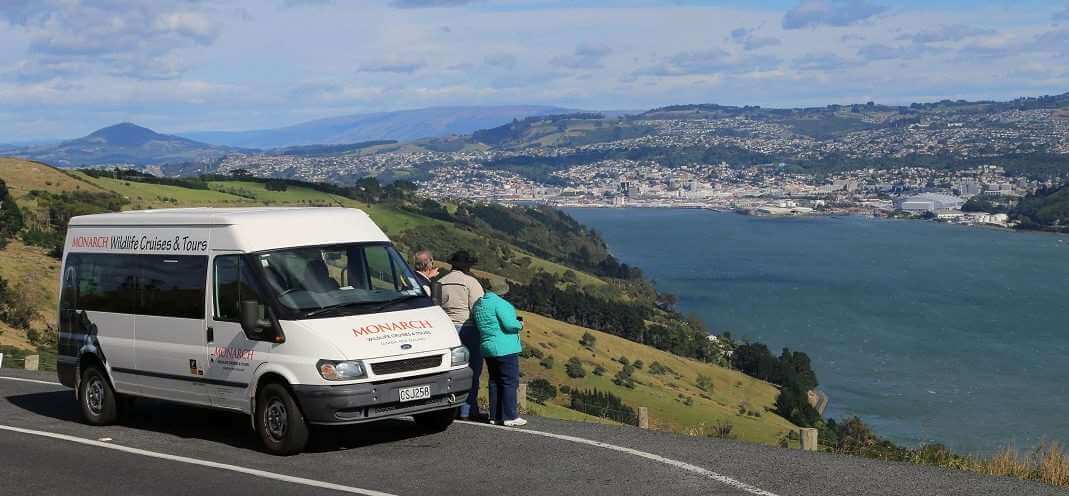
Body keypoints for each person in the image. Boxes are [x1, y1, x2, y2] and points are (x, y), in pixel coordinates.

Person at [434, 250, 485, 420]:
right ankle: (467, 409)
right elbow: (479, 309)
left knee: (452, 371)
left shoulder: (440, 281)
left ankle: (451, 407)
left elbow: (436, 308)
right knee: (473, 370)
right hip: (468, 328)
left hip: (448, 329)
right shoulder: (471, 282)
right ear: (468, 266)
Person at [473, 285, 526, 427]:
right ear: (503, 292)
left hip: (487, 347)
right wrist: (520, 324)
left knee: (494, 381)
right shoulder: (501, 304)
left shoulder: (478, 304)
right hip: (504, 347)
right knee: (509, 381)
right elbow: (509, 325)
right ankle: (510, 416)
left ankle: (495, 416)